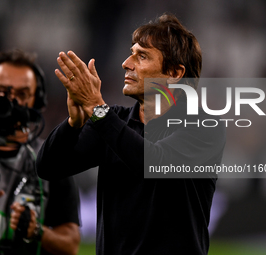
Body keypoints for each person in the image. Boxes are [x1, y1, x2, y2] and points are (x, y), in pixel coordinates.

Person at [36, 13, 226, 255]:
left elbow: (153, 163)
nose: (126, 62)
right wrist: (73, 124)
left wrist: (97, 109)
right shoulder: (112, 120)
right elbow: (48, 168)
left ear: (175, 73)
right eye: (131, 52)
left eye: (142, 56)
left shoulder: (203, 126)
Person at [0, 49, 80, 255]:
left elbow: (71, 246)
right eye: (3, 92)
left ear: (36, 101)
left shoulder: (52, 160)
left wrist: (37, 231)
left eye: (22, 94)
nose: (11, 103)